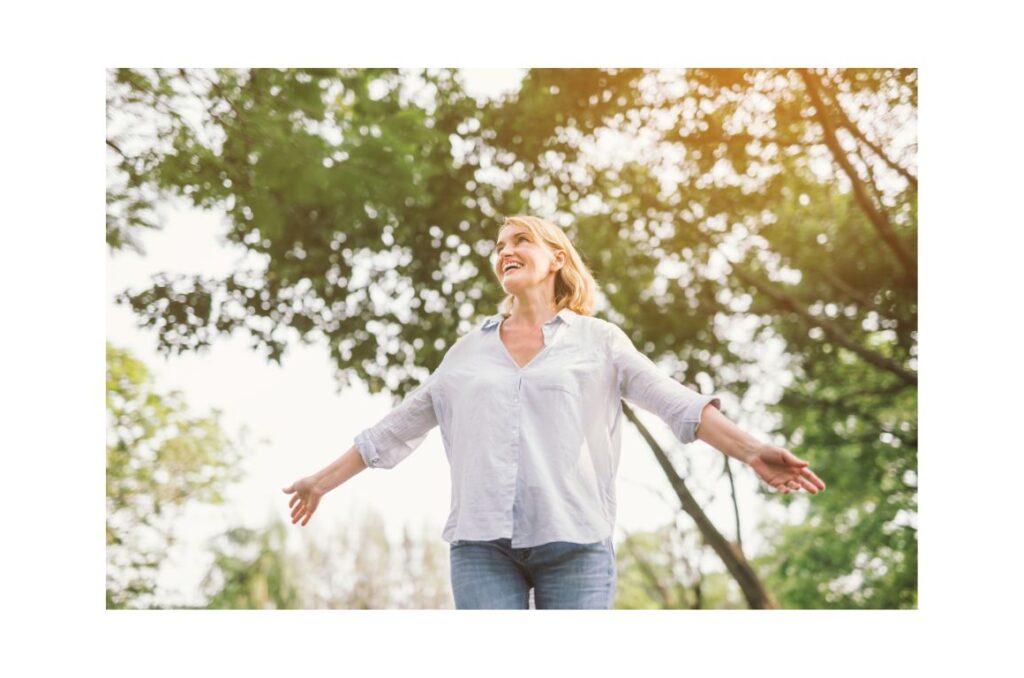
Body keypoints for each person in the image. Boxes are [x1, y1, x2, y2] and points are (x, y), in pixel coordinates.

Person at [283, 215, 826, 609]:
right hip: (481, 548)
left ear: (557, 259)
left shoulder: (599, 341)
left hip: (577, 544)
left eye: (521, 240)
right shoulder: (467, 351)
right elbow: (396, 428)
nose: (505, 251)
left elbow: (673, 400)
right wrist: (320, 482)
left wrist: (753, 449)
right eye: (499, 246)